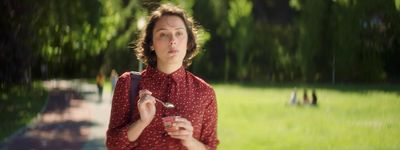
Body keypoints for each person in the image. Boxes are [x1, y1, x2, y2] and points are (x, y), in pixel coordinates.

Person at [106, 4, 219, 150]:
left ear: (188, 41)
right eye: (163, 34)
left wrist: (190, 141)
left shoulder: (205, 93)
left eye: (179, 33)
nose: (173, 40)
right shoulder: (127, 84)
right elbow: (113, 145)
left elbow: (210, 148)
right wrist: (142, 122)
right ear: (151, 43)